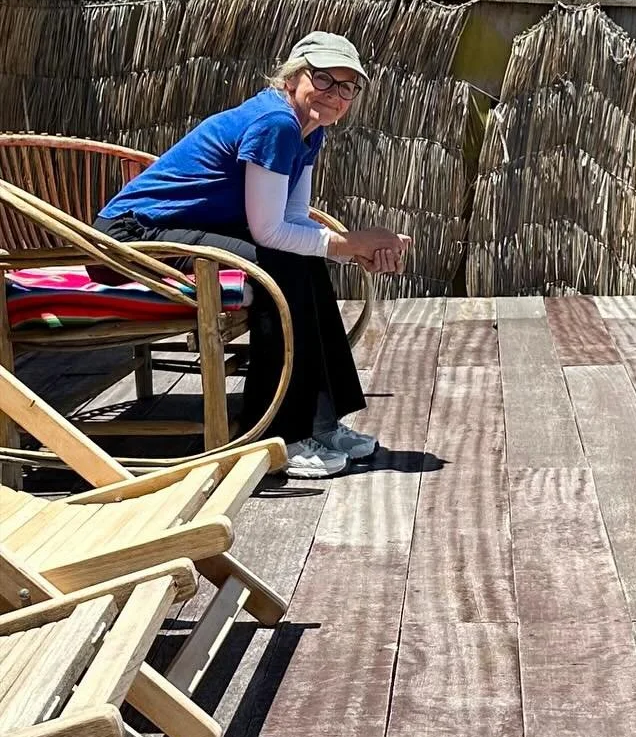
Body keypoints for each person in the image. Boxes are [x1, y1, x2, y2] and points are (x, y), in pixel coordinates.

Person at [96, 32, 412, 479]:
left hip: (176, 232)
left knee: (301, 261)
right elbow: (269, 231)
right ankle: (276, 433)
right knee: (274, 272)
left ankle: (319, 423)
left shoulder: (309, 129)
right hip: (127, 240)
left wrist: (352, 251)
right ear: (293, 77)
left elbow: (293, 219)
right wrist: (348, 243)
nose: (335, 95)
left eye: (347, 87)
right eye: (323, 79)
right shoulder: (276, 123)